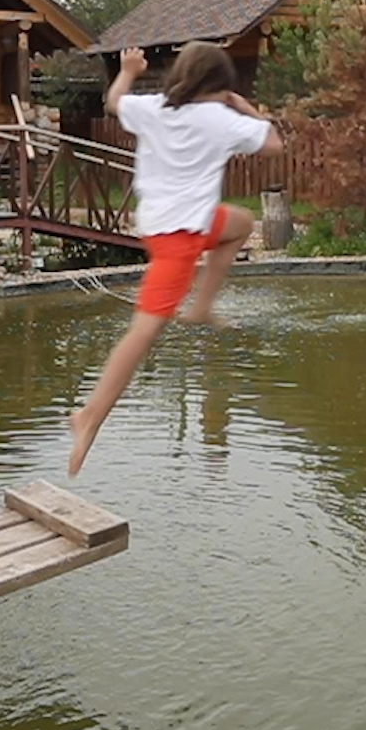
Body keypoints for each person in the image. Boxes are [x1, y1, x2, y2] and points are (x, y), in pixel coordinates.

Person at [67, 42, 283, 477]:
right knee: (143, 332)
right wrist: (250, 110)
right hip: (180, 238)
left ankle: (201, 307)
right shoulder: (223, 120)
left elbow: (113, 102)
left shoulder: (156, 108)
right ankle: (90, 415)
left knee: (239, 224)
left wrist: (128, 70)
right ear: (223, 85)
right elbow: (275, 145)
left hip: (165, 224)